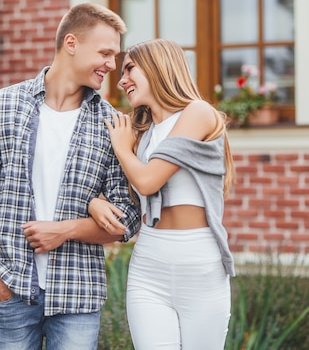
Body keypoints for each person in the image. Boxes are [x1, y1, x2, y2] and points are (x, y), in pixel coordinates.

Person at [0, 3, 141, 350]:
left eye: (115, 56)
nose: (112, 65)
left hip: (77, 294)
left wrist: (65, 230)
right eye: (105, 53)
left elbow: (128, 218)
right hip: (12, 288)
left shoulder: (113, 124)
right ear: (71, 43)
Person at [89, 38, 236, 350]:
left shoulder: (198, 113)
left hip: (199, 266)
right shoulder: (140, 132)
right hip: (149, 267)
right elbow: (122, 189)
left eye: (130, 68)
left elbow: (147, 182)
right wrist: (93, 202)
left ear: (158, 67)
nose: (122, 78)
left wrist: (121, 146)